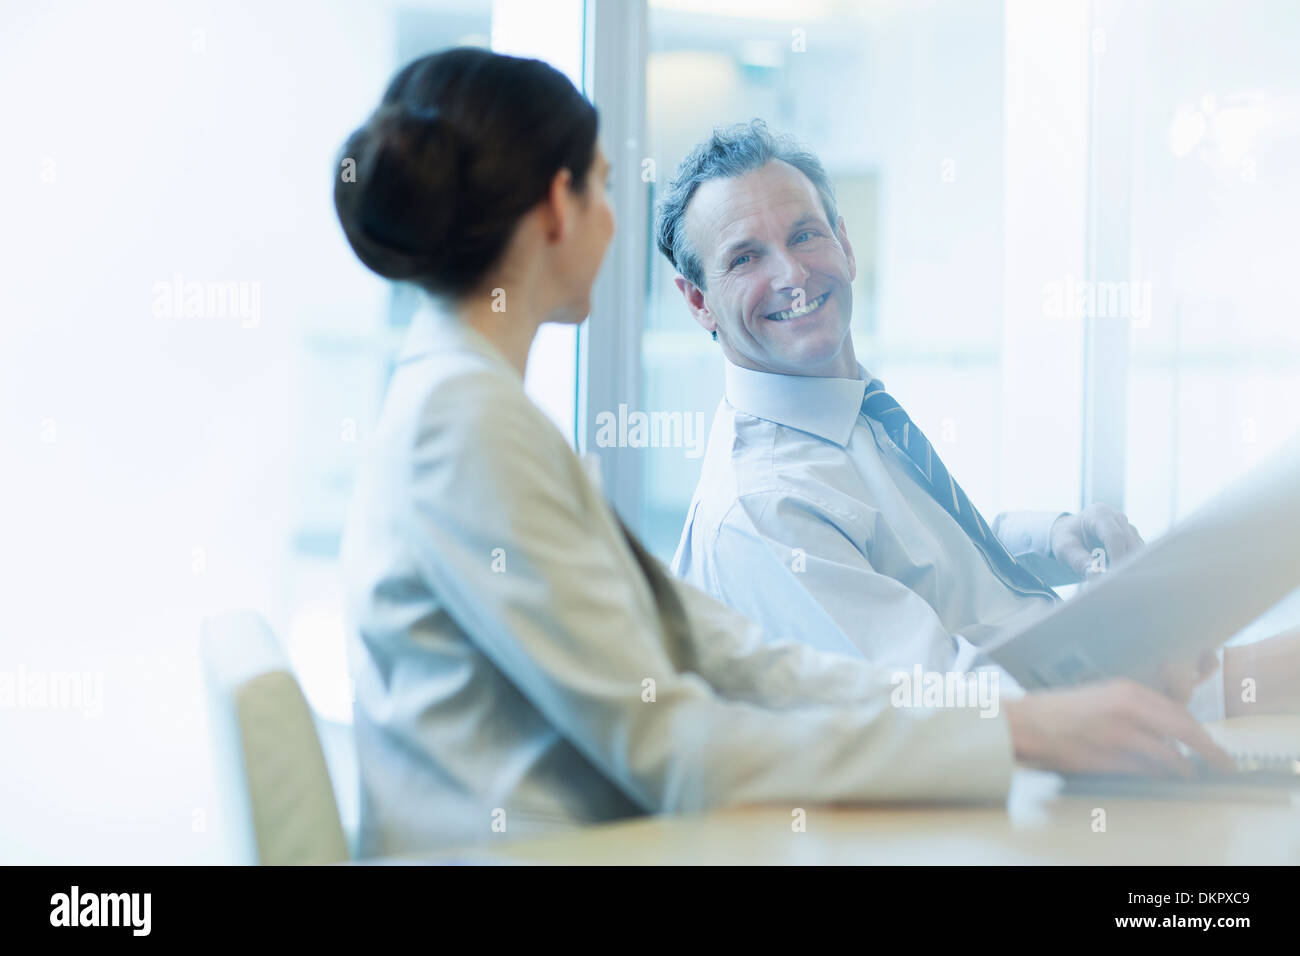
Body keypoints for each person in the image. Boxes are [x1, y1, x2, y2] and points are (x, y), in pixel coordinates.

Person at [333, 50, 1231, 857]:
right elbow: (673, 746)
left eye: (806, 234)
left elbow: (740, 660)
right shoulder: (465, 429)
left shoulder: (476, 407)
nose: (613, 229)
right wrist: (1018, 733)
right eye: (604, 189)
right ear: (557, 210)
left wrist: (1020, 718)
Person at [660, 119, 1295, 721]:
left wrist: (1046, 540)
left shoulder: (845, 414)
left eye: (805, 235)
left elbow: (915, 561)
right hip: (1038, 770)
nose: (792, 274)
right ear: (698, 302)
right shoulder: (763, 510)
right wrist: (1214, 679)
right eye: (745, 258)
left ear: (846, 245)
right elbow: (941, 708)